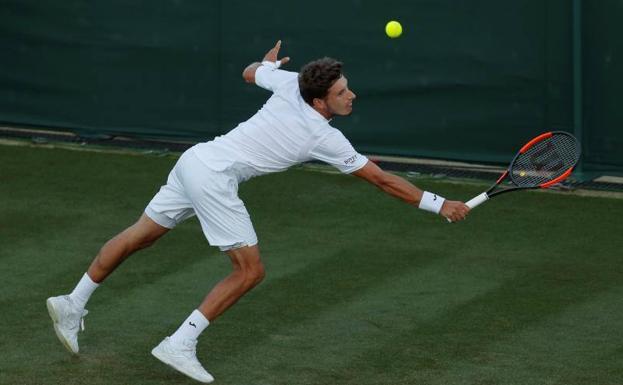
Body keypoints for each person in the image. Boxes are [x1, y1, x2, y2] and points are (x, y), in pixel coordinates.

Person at [46, 40, 469, 383]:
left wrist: (265, 63)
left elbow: (251, 72)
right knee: (249, 270)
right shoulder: (324, 137)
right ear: (320, 101)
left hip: (194, 160)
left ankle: (73, 300)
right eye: (342, 93)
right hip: (215, 177)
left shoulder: (290, 84)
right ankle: (179, 344)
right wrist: (439, 204)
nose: (351, 95)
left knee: (143, 233)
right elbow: (383, 180)